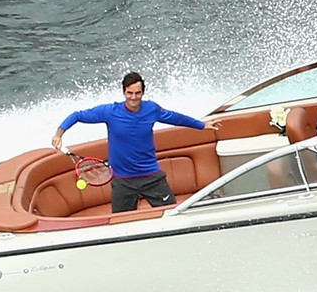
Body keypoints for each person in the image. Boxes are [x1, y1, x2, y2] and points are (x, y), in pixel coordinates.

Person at [52, 72, 214, 213]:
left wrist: (202, 125)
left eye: (138, 93)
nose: (133, 97)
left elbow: (176, 118)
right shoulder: (110, 112)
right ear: (124, 92)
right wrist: (59, 134)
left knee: (172, 214)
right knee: (121, 224)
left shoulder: (152, 109)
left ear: (143, 93)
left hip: (152, 177)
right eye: (130, 93)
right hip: (122, 181)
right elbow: (77, 115)